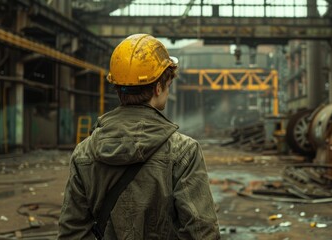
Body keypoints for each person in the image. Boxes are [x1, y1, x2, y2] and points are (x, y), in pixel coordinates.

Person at [58, 34, 220, 239]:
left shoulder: (84, 152)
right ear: (158, 87)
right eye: (167, 85)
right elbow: (202, 232)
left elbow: (71, 232)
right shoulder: (183, 151)